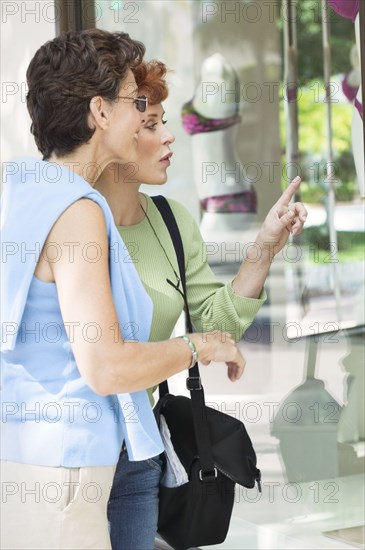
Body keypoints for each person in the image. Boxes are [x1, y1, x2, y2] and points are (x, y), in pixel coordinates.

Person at [0, 31, 245, 550]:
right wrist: (202, 345)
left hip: (28, 455)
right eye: (136, 103)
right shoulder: (78, 210)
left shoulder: (23, 189)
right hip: (69, 470)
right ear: (100, 111)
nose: (143, 118)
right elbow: (106, 367)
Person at [95, 60, 308, 550]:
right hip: (80, 454)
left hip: (142, 447)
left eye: (165, 121)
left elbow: (214, 322)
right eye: (150, 125)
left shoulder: (171, 220)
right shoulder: (76, 223)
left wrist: (265, 247)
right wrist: (196, 346)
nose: (169, 137)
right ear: (109, 130)